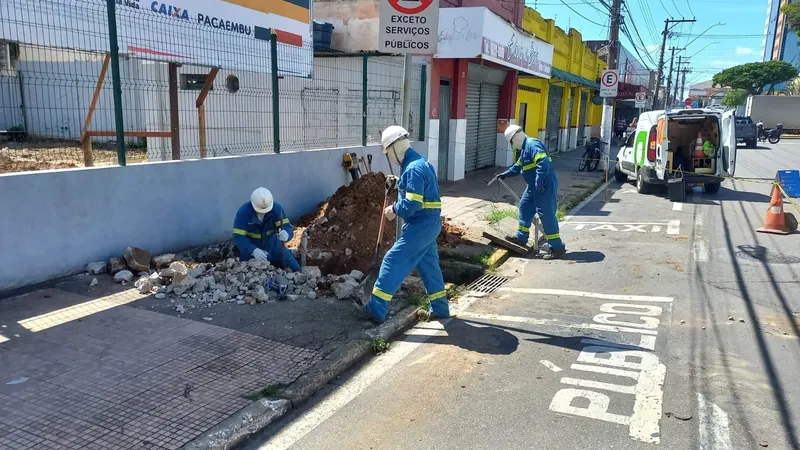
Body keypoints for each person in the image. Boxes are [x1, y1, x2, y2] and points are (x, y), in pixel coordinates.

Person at [358, 125, 450, 323]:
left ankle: (376, 308)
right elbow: (418, 189)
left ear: (394, 147)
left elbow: (412, 204)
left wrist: (394, 210)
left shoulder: (412, 168)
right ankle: (441, 309)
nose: (389, 156)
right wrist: (399, 182)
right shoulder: (419, 163)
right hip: (430, 224)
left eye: (388, 152)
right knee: (429, 267)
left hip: (420, 225)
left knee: (393, 260)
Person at [495, 124, 567, 260]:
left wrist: (539, 182)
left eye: (511, 143)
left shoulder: (532, 144)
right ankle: (521, 238)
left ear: (514, 138)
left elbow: (543, 162)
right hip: (534, 185)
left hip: (544, 184)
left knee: (546, 215)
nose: (513, 146)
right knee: (524, 206)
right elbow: (518, 166)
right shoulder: (524, 150)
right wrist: (505, 174)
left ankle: (557, 247)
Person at [232, 187, 301, 272]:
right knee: (252, 278)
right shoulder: (244, 212)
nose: (264, 212)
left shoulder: (276, 209)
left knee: (297, 270)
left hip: (275, 248)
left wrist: (287, 234)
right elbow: (238, 237)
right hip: (252, 252)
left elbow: (286, 226)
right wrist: (252, 250)